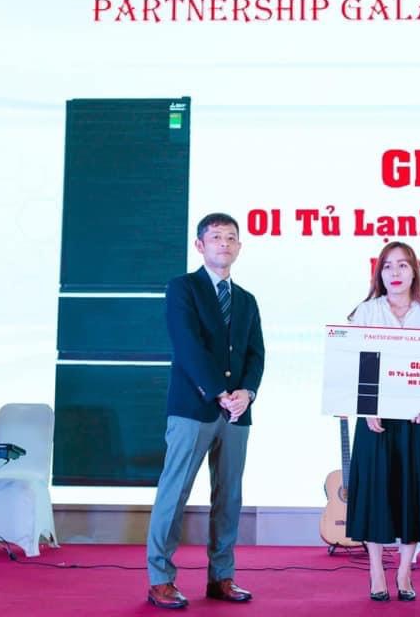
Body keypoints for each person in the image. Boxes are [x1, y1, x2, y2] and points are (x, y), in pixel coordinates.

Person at [146, 212, 265, 609]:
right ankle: (160, 579)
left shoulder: (246, 300)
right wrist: (219, 392)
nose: (224, 244)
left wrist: (246, 392)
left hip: (237, 413)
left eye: (231, 237)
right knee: (174, 493)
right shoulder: (183, 288)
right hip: (193, 407)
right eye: (216, 237)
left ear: (239, 247)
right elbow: (187, 345)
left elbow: (256, 354)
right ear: (200, 245)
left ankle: (222, 576)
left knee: (229, 497)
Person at [344, 241, 420, 602]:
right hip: (377, 418)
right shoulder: (366, 312)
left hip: (418, 420)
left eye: (403, 265)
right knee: (376, 493)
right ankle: (375, 570)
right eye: (388, 266)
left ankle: (404, 570)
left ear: (415, 270)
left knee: (413, 494)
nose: (396, 273)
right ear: (379, 273)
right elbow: (353, 363)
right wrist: (367, 407)